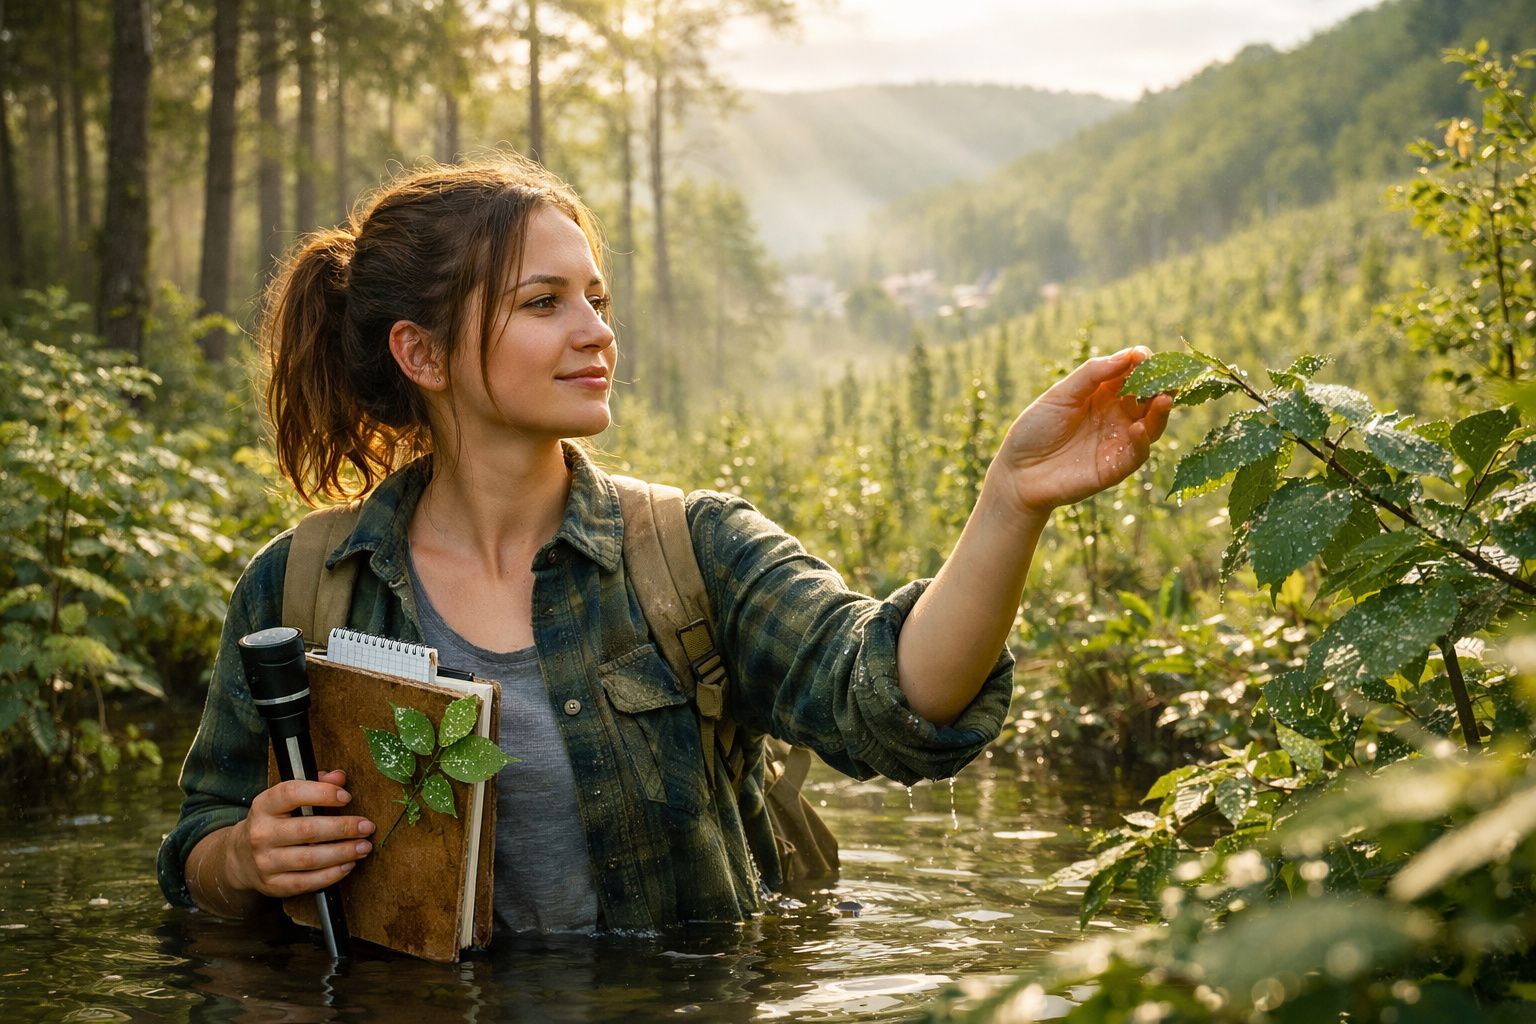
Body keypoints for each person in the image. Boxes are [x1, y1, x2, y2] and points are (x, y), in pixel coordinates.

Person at [156, 156, 1172, 935]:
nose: (595, 330)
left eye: (596, 298)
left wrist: (1011, 501)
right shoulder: (302, 586)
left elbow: (897, 695)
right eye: (543, 303)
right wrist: (246, 856)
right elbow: (200, 836)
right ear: (419, 353)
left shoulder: (695, 553)